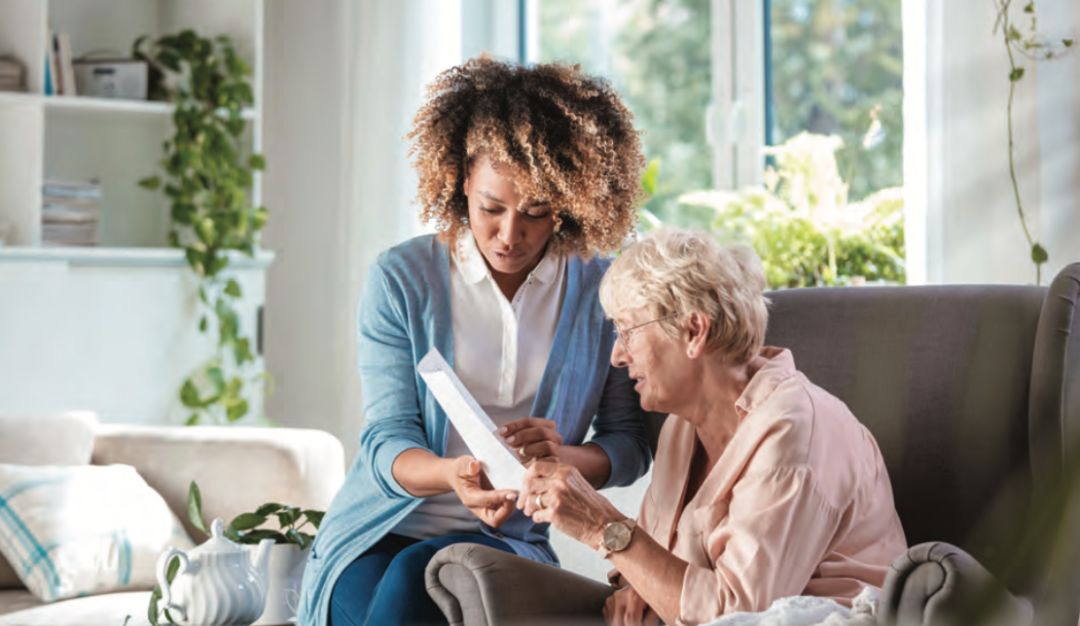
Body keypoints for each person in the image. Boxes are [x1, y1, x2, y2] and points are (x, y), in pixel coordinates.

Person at [296, 56, 653, 626]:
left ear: (568, 203)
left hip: (506, 540)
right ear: (463, 181)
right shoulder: (402, 279)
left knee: (424, 572)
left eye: (536, 213)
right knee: (405, 575)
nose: (510, 235)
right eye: (491, 208)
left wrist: (560, 459)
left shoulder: (601, 292)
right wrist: (453, 476)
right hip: (378, 531)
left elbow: (630, 444)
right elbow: (387, 439)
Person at [518, 229, 908, 626]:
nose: (617, 356)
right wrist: (637, 588)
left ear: (693, 331)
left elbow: (739, 617)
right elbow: (659, 564)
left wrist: (601, 525)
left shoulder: (795, 431)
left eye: (628, 331)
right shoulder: (680, 429)